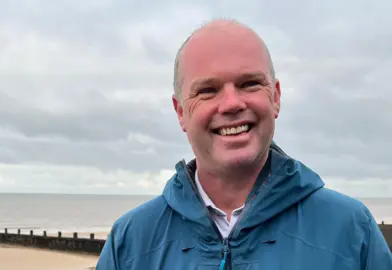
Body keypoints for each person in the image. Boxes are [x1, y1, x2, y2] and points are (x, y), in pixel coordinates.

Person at [95, 19, 392, 269]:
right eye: (208, 90)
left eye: (249, 83)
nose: (232, 103)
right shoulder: (130, 242)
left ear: (275, 97)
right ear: (180, 111)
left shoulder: (352, 231)